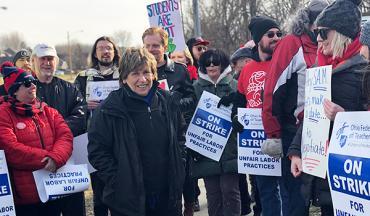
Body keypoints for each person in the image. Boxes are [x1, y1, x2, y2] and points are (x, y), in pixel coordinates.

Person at [289, 0, 367, 215]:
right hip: (322, 175)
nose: (319, 40)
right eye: (316, 34)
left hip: (353, 178)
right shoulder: (319, 70)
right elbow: (310, 115)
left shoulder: (363, 73)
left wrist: (344, 118)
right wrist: (296, 152)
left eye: (323, 33)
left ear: (342, 33)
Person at [88, 47, 186, 216]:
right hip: (129, 201)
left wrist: (180, 164)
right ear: (124, 78)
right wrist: (119, 181)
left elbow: (180, 136)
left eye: (146, 72)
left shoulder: (167, 101)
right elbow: (98, 152)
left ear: (154, 74)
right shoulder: (109, 110)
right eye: (135, 73)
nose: (142, 79)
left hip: (167, 196)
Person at [261, 1, 328, 215]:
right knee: (297, 199)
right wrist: (273, 134)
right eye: (318, 25)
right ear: (308, 22)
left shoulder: (330, 43)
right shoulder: (291, 43)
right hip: (294, 132)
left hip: (323, 130)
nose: (320, 32)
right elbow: (272, 89)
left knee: (323, 196)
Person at [0, 65, 73, 216]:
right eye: (27, 83)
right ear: (14, 91)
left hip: (53, 190)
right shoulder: (3, 114)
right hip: (24, 198)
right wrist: (47, 159)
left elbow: (65, 136)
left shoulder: (48, 111)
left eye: (33, 81)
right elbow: (10, 148)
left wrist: (56, 157)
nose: (33, 85)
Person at [229, 15, 282, 216]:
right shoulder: (248, 69)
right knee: (265, 192)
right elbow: (241, 101)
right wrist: (236, 118)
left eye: (279, 33)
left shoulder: (286, 63)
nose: (276, 37)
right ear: (259, 38)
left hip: (281, 136)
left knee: (285, 192)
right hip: (256, 140)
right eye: (270, 34)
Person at [142, 27, 197, 215]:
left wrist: (174, 104)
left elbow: (192, 99)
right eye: (147, 45)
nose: (151, 49)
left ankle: (189, 207)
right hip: (152, 136)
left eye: (156, 45)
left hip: (177, 133)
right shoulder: (140, 72)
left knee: (184, 177)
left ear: (165, 46)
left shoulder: (179, 71)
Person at [31, 43, 87, 216]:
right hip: (41, 164)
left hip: (69, 165)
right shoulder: (26, 89)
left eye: (51, 59)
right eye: (43, 59)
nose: (47, 63)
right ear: (33, 61)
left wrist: (56, 132)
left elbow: (81, 115)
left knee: (74, 209)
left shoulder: (70, 88)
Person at [74, 36, 121, 216]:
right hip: (95, 139)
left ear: (115, 52)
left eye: (109, 48)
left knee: (121, 188)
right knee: (99, 194)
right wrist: (86, 106)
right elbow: (74, 106)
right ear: (95, 52)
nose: (105, 51)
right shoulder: (83, 77)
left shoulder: (124, 74)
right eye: (101, 48)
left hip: (120, 138)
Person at [191, 48, 240, 216]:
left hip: (231, 147)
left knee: (231, 192)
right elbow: (189, 116)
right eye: (207, 63)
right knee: (213, 194)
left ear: (223, 64)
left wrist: (238, 119)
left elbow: (244, 110)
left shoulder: (235, 85)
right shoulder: (195, 88)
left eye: (215, 62)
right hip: (206, 149)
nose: (211, 65)